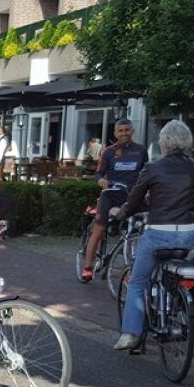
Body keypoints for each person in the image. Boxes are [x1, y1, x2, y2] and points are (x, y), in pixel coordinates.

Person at [113, 120, 194, 350]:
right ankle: (176, 305)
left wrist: (119, 214)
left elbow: (134, 201)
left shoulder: (152, 167)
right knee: (174, 270)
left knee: (137, 281)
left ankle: (131, 334)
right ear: (187, 143)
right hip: (189, 233)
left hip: (159, 234)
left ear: (163, 144)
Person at [80, 118, 148, 282]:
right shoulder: (109, 152)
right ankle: (88, 267)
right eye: (120, 130)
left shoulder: (141, 151)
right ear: (115, 133)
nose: (124, 133)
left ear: (132, 131)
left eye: (127, 130)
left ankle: (132, 267)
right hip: (111, 194)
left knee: (141, 230)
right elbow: (98, 173)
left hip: (133, 195)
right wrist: (101, 180)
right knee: (99, 228)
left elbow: (147, 173)